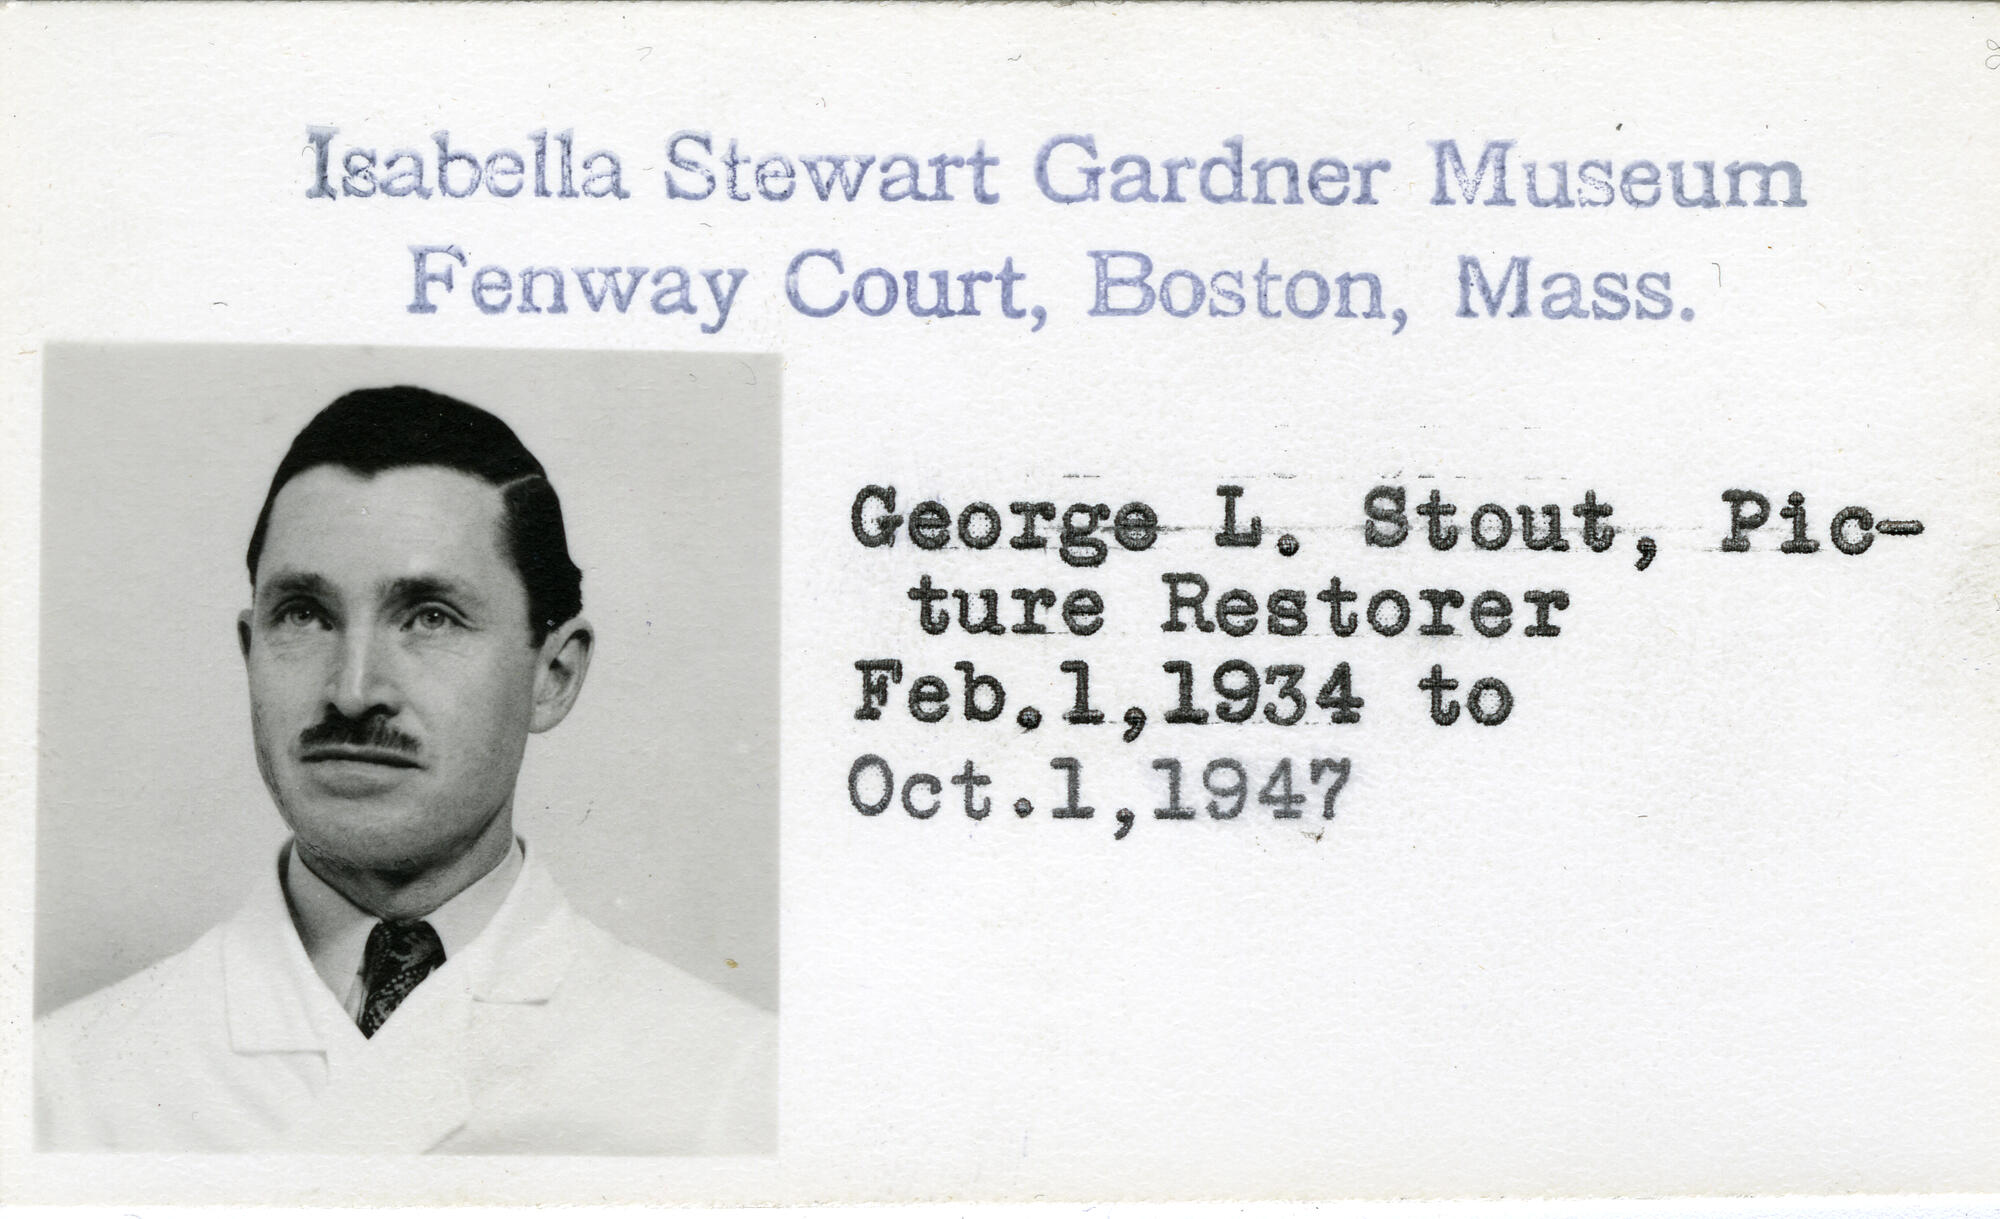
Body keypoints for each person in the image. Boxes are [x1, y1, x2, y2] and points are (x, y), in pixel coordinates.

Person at [36, 386, 775, 1155]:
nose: (354, 691)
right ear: (250, 652)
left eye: (430, 616)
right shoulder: (60, 1089)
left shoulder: (730, 1088)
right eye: (304, 614)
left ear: (552, 675)